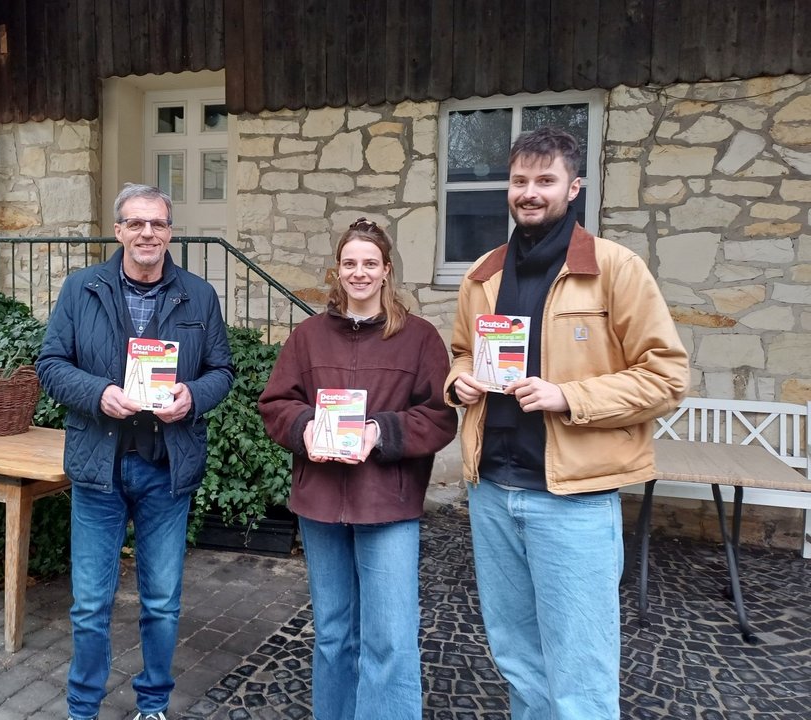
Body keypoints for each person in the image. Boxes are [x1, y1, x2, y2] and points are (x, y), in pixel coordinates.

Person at [444, 127, 689, 719]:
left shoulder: (615, 268)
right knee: (518, 659)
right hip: (492, 493)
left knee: (579, 672)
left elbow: (667, 376)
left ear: (573, 188)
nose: (530, 192)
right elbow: (457, 354)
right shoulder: (483, 274)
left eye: (545, 181)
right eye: (520, 180)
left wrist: (568, 396)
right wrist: (460, 382)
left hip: (573, 500)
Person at [37, 183, 234, 720]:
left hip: (166, 470)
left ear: (170, 232)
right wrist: (98, 394)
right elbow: (50, 364)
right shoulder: (82, 289)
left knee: (163, 602)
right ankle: (83, 709)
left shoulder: (199, 294)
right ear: (119, 230)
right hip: (99, 468)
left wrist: (193, 397)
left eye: (159, 224)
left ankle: (153, 705)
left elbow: (223, 371)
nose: (148, 233)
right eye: (137, 223)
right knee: (90, 604)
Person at [258, 218, 458, 720]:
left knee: (389, 637)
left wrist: (380, 432)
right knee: (331, 634)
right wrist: (304, 427)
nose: (359, 272)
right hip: (321, 504)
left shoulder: (419, 339)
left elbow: (439, 415)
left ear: (387, 270)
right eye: (350, 263)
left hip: (387, 503)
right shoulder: (307, 337)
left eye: (370, 263)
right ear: (337, 271)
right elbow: (276, 402)